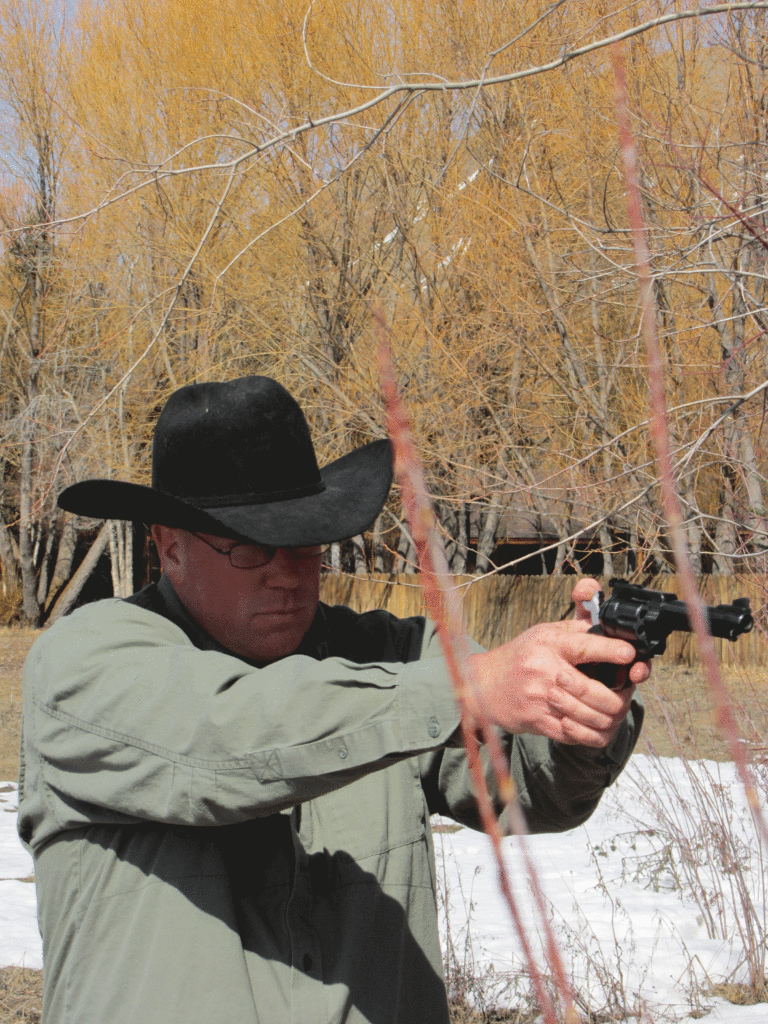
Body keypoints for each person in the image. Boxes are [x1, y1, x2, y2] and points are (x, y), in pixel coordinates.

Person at [18, 376, 646, 1024]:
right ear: (169, 545)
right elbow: (229, 735)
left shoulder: (391, 656)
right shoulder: (84, 665)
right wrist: (468, 689)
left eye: (307, 542)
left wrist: (585, 696)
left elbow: (527, 793)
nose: (288, 572)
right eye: (252, 546)